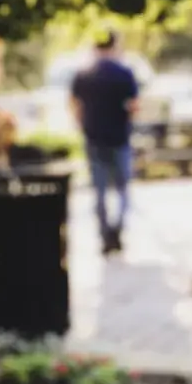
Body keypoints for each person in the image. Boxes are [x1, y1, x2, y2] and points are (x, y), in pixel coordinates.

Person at [70, 29, 139, 255]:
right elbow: (134, 107)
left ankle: (104, 233)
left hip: (93, 138)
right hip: (120, 138)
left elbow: (75, 106)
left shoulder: (84, 74)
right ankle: (117, 229)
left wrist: (83, 126)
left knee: (98, 191)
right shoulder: (124, 73)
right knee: (122, 189)